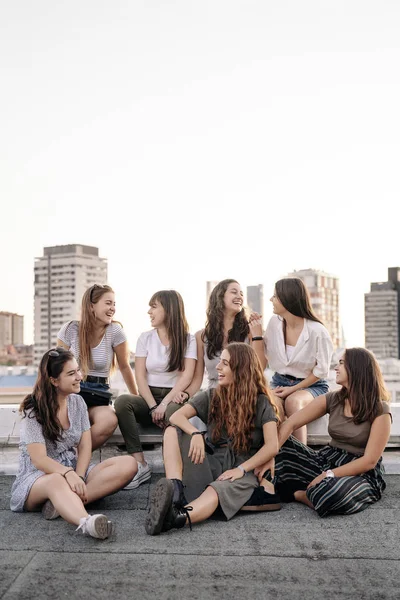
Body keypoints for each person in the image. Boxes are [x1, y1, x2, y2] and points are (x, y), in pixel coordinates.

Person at [145, 343, 280, 535]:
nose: (218, 367)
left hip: (243, 470)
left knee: (217, 490)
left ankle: (175, 519)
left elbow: (272, 446)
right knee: (171, 431)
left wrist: (241, 469)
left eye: (225, 363)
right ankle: (175, 493)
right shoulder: (212, 395)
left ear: (240, 369)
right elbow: (175, 417)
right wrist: (195, 433)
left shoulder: (262, 402)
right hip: (210, 461)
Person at [10, 348, 137, 539]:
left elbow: (85, 446)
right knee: (56, 481)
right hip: (38, 477)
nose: (79, 377)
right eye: (71, 373)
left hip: (71, 468)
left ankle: (61, 503)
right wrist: (68, 474)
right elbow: (39, 460)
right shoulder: (33, 410)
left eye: (78, 370)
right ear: (54, 381)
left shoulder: (78, 402)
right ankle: (87, 522)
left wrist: (78, 474)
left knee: (129, 464)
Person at [274, 348, 391, 517]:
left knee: (332, 492)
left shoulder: (380, 410)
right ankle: (310, 488)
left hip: (360, 472)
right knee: (279, 444)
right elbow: (290, 423)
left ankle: (298, 494)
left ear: (356, 368)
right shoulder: (334, 398)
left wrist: (328, 475)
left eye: (342, 363)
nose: (336, 367)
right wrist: (270, 455)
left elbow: (369, 461)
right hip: (327, 459)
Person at [114, 290, 197, 489]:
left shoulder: (189, 339)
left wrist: (165, 404)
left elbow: (187, 375)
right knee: (122, 402)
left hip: (174, 396)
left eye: (154, 306)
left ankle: (175, 471)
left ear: (169, 309)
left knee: (173, 415)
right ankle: (140, 463)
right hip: (149, 396)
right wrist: (152, 407)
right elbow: (140, 376)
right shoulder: (145, 338)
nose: (149, 311)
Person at [251, 278, 333, 443]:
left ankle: (302, 458)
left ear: (287, 298)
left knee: (294, 402)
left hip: (311, 386)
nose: (270, 300)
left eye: (275, 296)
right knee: (271, 406)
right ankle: (276, 457)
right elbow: (261, 363)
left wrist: (293, 389)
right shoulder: (275, 323)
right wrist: (257, 335)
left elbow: (321, 371)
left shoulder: (318, 331)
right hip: (279, 382)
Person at [57, 284, 138, 450]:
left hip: (97, 394)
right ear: (91, 306)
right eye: (108, 303)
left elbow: (124, 367)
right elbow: (54, 366)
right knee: (65, 421)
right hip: (71, 392)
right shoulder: (70, 329)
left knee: (109, 421)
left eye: (114, 304)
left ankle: (73, 458)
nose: (113, 308)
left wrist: (136, 398)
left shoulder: (115, 331)